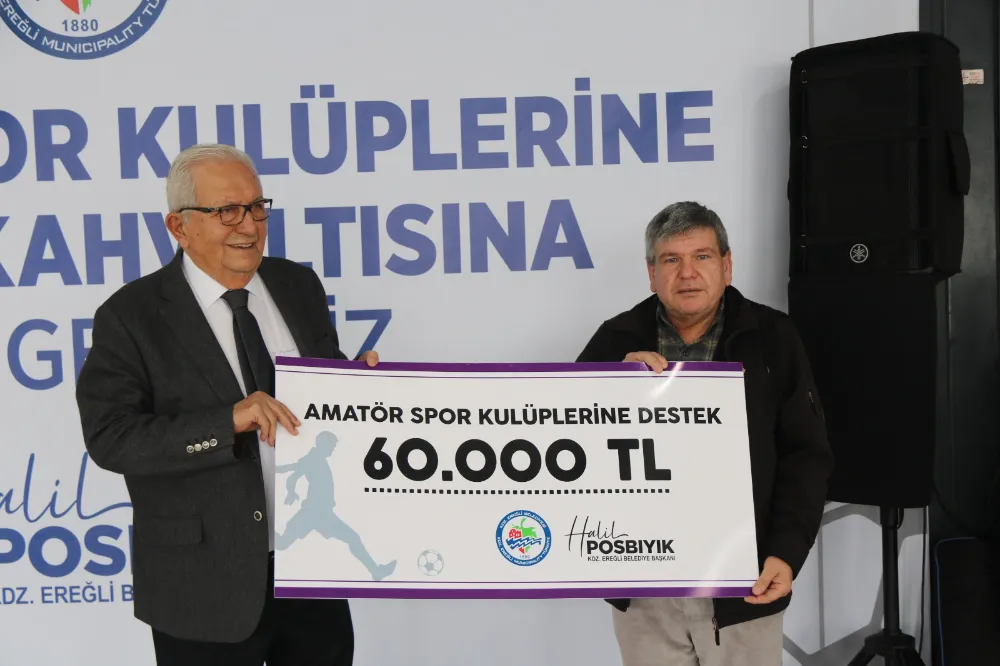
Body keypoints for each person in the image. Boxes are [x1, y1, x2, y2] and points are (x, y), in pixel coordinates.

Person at [75, 143, 375, 666]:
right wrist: (227, 422)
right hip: (202, 584)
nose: (250, 226)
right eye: (227, 211)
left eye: (257, 207)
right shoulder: (130, 316)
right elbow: (111, 438)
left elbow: (321, 393)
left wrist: (362, 391)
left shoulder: (298, 285)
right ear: (179, 226)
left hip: (311, 572)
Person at [576, 201, 833, 665]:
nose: (688, 273)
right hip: (646, 590)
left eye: (702, 256)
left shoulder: (774, 337)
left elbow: (806, 456)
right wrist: (611, 383)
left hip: (743, 585)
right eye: (671, 260)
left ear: (727, 265)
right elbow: (570, 446)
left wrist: (786, 552)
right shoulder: (615, 340)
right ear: (651, 274)